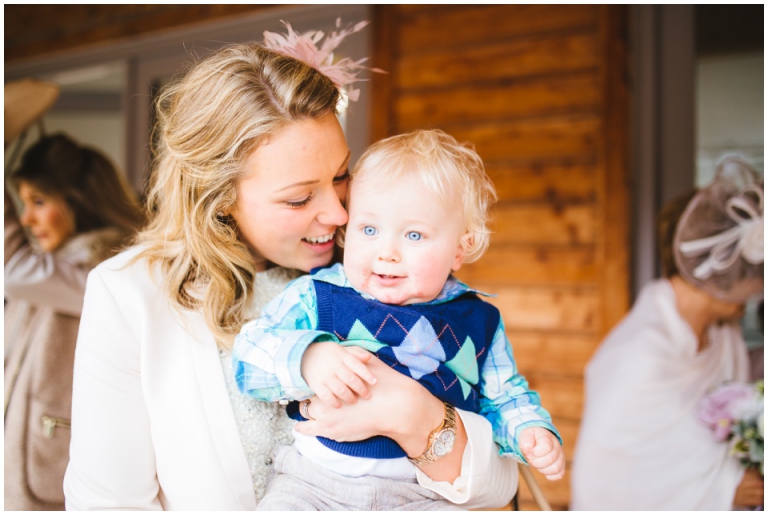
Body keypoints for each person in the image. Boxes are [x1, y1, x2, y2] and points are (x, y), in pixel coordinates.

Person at [63, 25, 521, 510]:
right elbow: (107, 503)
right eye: (300, 197)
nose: (340, 215)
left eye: (342, 175)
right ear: (220, 200)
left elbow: (500, 484)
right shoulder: (130, 295)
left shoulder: (379, 268)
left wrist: (418, 417)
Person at [233, 129, 565, 510]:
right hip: (312, 485)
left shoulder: (478, 321)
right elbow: (249, 353)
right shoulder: (320, 295)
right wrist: (308, 358)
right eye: (369, 229)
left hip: (421, 495)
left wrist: (529, 430)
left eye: (414, 234)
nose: (386, 252)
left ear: (461, 247)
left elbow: (505, 394)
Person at [570, 156, 764, 510]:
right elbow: (609, 479)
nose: (758, 287)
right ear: (723, 269)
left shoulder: (723, 334)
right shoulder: (638, 355)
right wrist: (722, 491)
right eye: (755, 272)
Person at [5, 133, 143, 510]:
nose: (26, 218)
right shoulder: (57, 271)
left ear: (78, 203)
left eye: (38, 201)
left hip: (49, 472)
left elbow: (11, 269)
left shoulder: (103, 274)